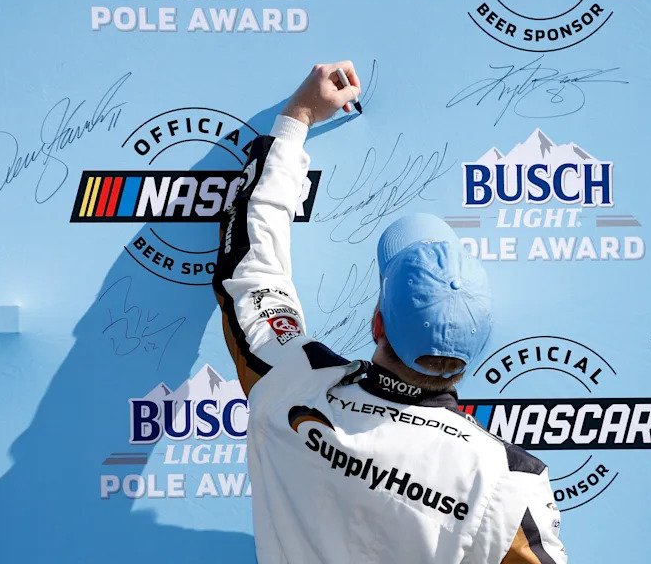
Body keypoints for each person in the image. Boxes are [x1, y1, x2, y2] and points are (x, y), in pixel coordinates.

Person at [213, 61, 567, 564]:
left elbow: (251, 266)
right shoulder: (507, 481)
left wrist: (297, 118)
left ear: (377, 322)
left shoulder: (291, 383)